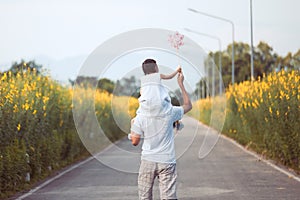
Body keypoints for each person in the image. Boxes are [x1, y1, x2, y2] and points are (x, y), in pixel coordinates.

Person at [130, 59, 192, 200]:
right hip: (167, 160)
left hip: (148, 160)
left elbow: (134, 141)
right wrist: (181, 84)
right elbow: (188, 106)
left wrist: (132, 124)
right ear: (156, 68)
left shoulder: (140, 116)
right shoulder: (169, 111)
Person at [136, 58, 184, 130]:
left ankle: (136, 131)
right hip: (159, 104)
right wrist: (177, 71)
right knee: (169, 110)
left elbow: (141, 91)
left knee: (136, 118)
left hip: (147, 106)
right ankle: (177, 123)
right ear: (155, 67)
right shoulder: (158, 75)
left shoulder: (143, 79)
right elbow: (170, 77)